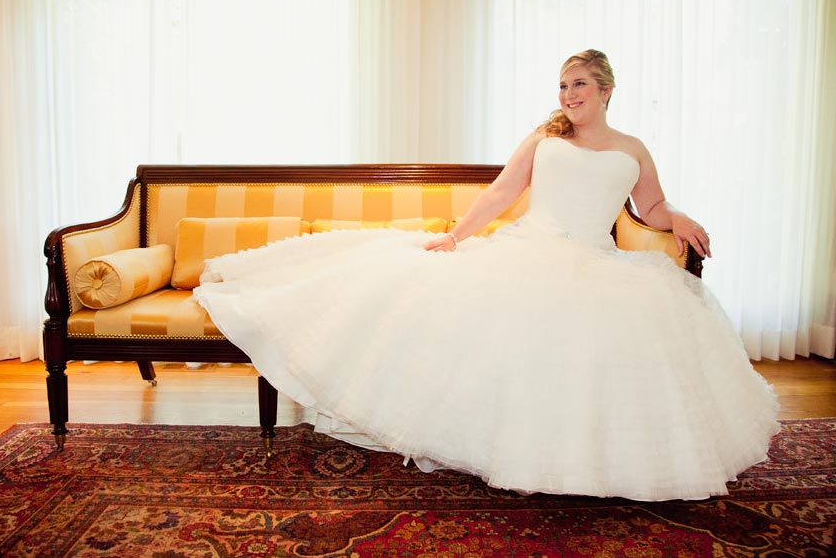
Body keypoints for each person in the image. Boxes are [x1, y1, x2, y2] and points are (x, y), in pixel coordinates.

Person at [193, 49, 779, 502]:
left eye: (579, 84)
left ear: (605, 90)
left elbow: (650, 209)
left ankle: (582, 461)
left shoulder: (633, 149)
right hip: (529, 252)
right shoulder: (545, 138)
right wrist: (454, 236)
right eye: (562, 84)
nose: (568, 93)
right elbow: (502, 193)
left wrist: (677, 217)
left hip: (594, 266)